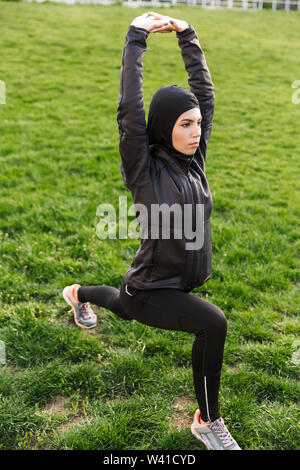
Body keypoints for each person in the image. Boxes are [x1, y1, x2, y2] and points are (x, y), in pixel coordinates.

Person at [63, 12, 241, 451]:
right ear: (164, 127)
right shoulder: (143, 167)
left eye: (199, 123)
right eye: (186, 124)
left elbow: (205, 94)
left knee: (117, 303)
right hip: (152, 289)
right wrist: (137, 36)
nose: (197, 131)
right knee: (211, 324)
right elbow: (129, 106)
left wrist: (187, 36)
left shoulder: (194, 158)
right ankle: (207, 420)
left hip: (165, 281)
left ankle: (77, 294)